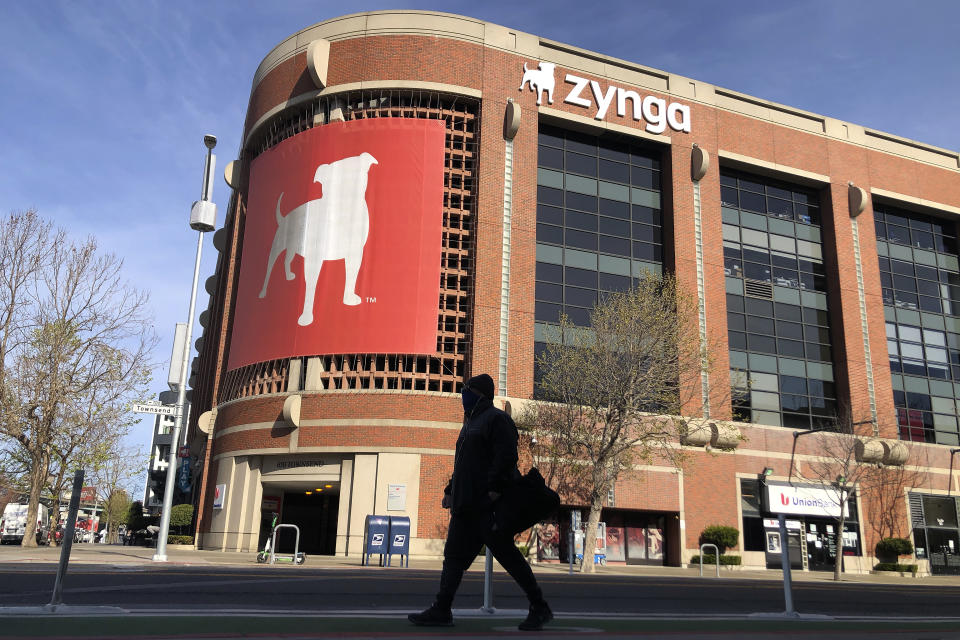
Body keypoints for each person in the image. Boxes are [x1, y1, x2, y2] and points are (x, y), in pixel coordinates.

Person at [408, 374, 553, 631]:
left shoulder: (497, 419)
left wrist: (494, 491)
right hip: (465, 505)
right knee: (453, 557)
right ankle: (442, 609)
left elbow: (506, 456)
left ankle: (539, 607)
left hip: (486, 505)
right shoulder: (469, 424)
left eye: (468, 390)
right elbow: (463, 464)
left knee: (507, 557)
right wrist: (450, 490)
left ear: (482, 394)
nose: (464, 394)